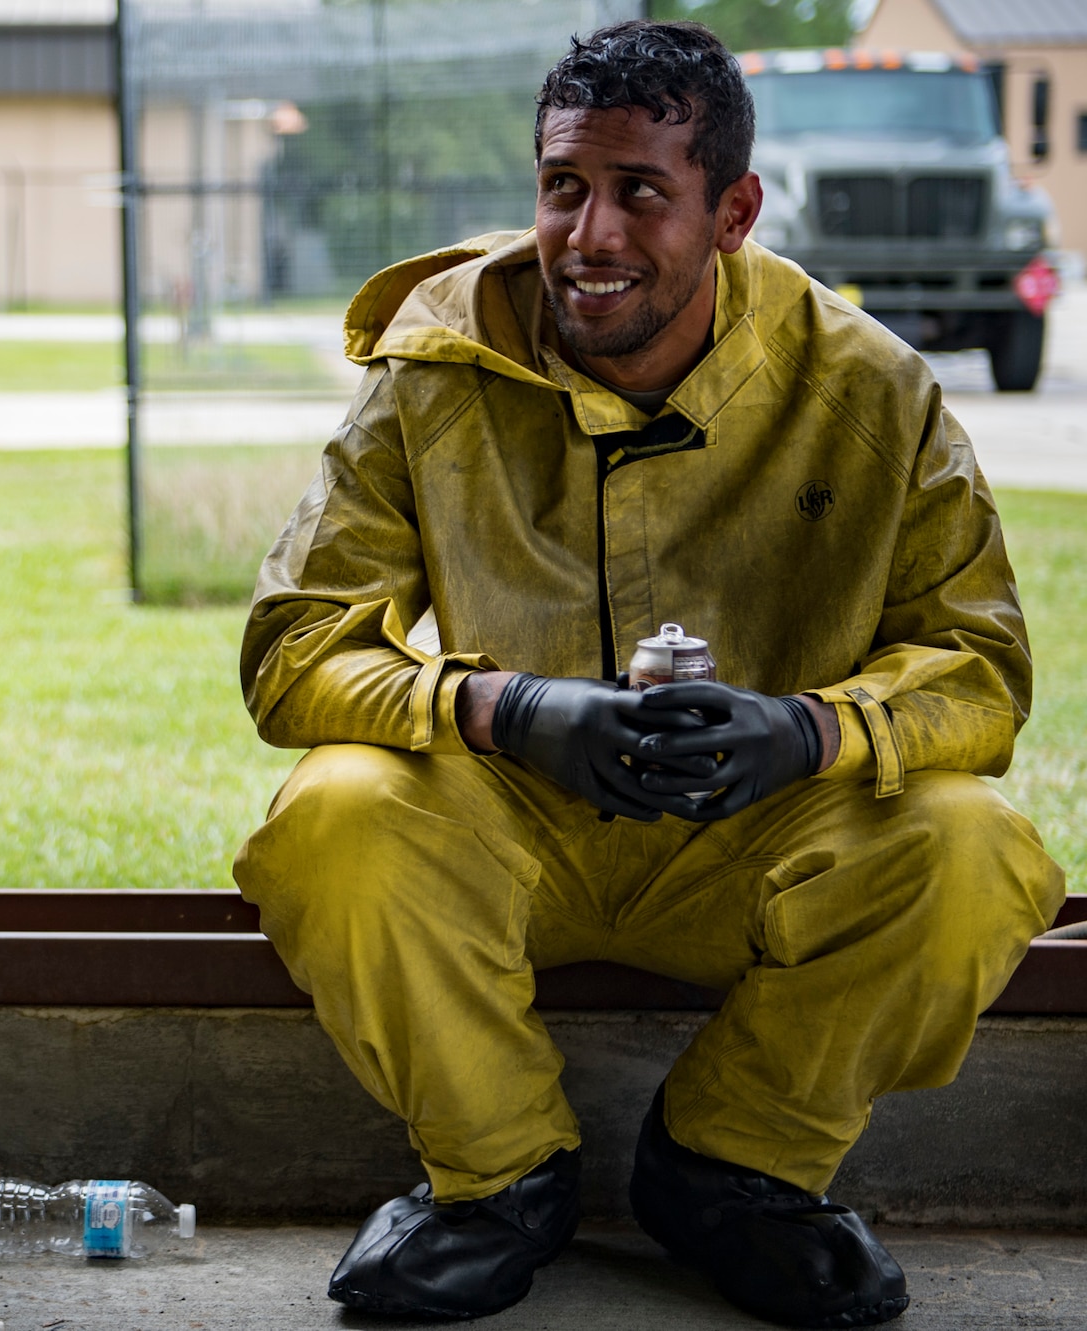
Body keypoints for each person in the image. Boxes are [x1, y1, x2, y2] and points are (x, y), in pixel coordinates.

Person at [234, 19, 1064, 1328]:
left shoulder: (873, 386)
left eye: (640, 193)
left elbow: (981, 671)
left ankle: (740, 1169)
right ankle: (498, 1177)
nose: (590, 235)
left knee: (976, 849)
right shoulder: (433, 372)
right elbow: (293, 654)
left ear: (733, 210)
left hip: (759, 838)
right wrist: (501, 706)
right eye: (564, 185)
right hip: (514, 829)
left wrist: (807, 733)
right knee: (333, 815)